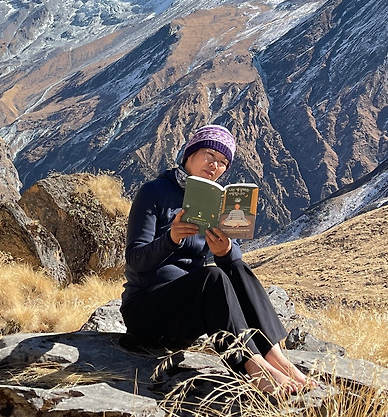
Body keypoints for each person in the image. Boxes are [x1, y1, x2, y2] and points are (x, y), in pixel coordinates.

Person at [120, 124, 314, 393]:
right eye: (210, 155)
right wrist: (170, 239)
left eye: (223, 162)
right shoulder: (153, 193)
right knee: (212, 276)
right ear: (190, 154)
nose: (215, 166)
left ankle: (277, 358)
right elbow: (134, 260)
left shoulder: (212, 201)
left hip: (186, 314)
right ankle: (253, 366)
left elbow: (231, 259)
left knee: (235, 268)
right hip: (147, 311)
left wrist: (225, 252)